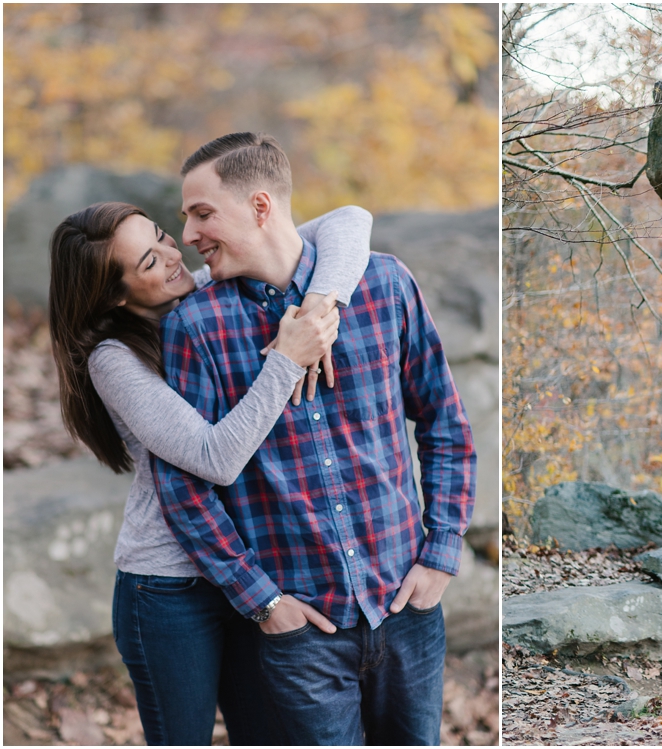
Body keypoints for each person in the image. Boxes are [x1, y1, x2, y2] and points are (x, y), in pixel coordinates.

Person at [150, 132, 476, 746]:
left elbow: (444, 421)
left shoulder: (384, 285)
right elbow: (183, 485)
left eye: (202, 213)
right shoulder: (196, 325)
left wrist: (442, 551)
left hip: (406, 605)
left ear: (261, 206)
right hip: (303, 629)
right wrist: (265, 604)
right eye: (185, 218)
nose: (189, 236)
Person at [49, 199, 372, 745]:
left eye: (161, 238)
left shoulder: (198, 286)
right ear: (114, 294)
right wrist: (288, 358)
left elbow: (350, 221)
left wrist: (319, 302)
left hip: (245, 571)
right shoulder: (112, 358)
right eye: (148, 262)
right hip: (170, 590)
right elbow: (215, 457)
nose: (173, 256)